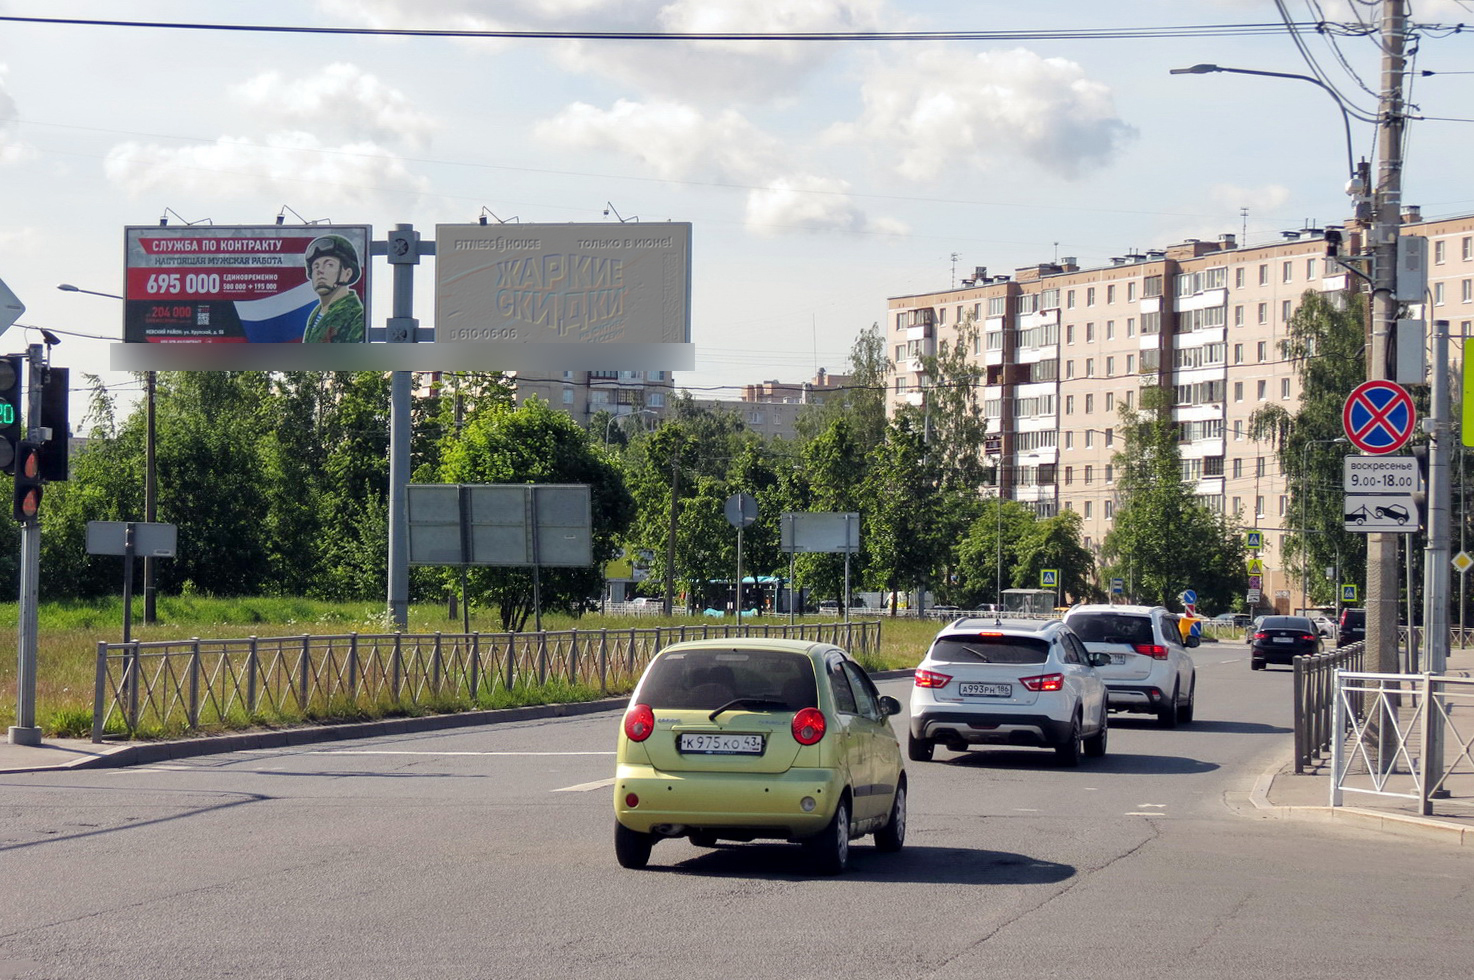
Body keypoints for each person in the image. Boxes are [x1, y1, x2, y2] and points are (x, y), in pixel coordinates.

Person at [301, 235, 365, 343]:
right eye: (315, 266)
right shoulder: (316, 314)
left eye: (329, 265)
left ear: (347, 274)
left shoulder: (356, 316)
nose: (319, 271)